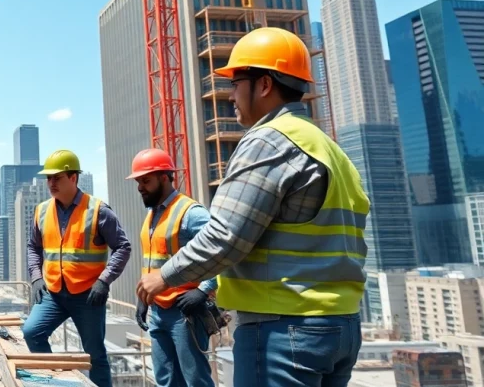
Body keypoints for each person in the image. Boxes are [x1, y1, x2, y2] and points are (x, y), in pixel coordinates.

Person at [137, 27, 369, 387]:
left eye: (236, 82)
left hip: (284, 326)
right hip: (341, 325)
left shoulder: (268, 140)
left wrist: (162, 277)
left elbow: (224, 236)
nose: (230, 94)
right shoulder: (327, 146)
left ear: (263, 85)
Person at [24, 150, 132, 387]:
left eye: (57, 177)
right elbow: (33, 247)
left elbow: (123, 247)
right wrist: (35, 277)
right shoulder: (41, 211)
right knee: (32, 332)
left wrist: (104, 281)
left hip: (87, 295)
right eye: (48, 178)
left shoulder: (98, 210)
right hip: (52, 292)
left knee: (94, 354)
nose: (51, 183)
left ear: (73, 178)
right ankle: (53, 382)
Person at [128, 148, 216, 387]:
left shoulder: (192, 213)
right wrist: (143, 297)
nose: (140, 187)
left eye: (145, 180)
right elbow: (151, 261)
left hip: (185, 312)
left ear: (164, 178)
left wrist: (204, 289)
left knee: (195, 380)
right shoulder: (152, 215)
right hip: (158, 311)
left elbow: (222, 251)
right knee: (166, 380)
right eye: (138, 181)